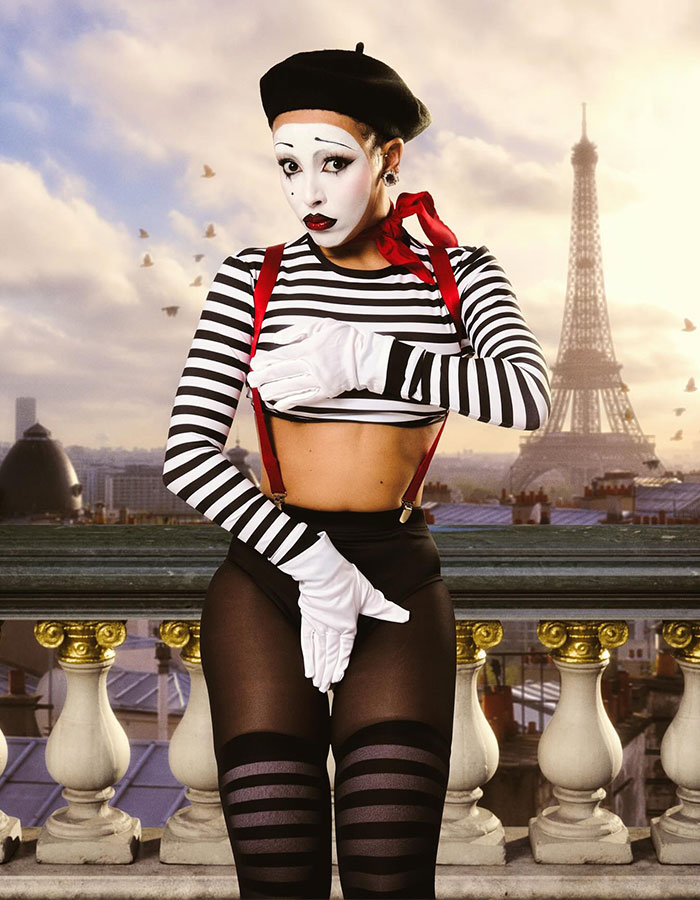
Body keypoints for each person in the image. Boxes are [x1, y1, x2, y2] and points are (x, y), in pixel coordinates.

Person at [162, 43, 551, 899]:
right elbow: (187, 456)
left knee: (389, 877)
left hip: (400, 580)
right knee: (278, 875)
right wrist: (313, 564)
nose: (307, 191)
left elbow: (527, 400)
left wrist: (372, 354)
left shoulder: (458, 277)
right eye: (288, 166)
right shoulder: (249, 279)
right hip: (269, 576)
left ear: (389, 157)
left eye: (333, 162)